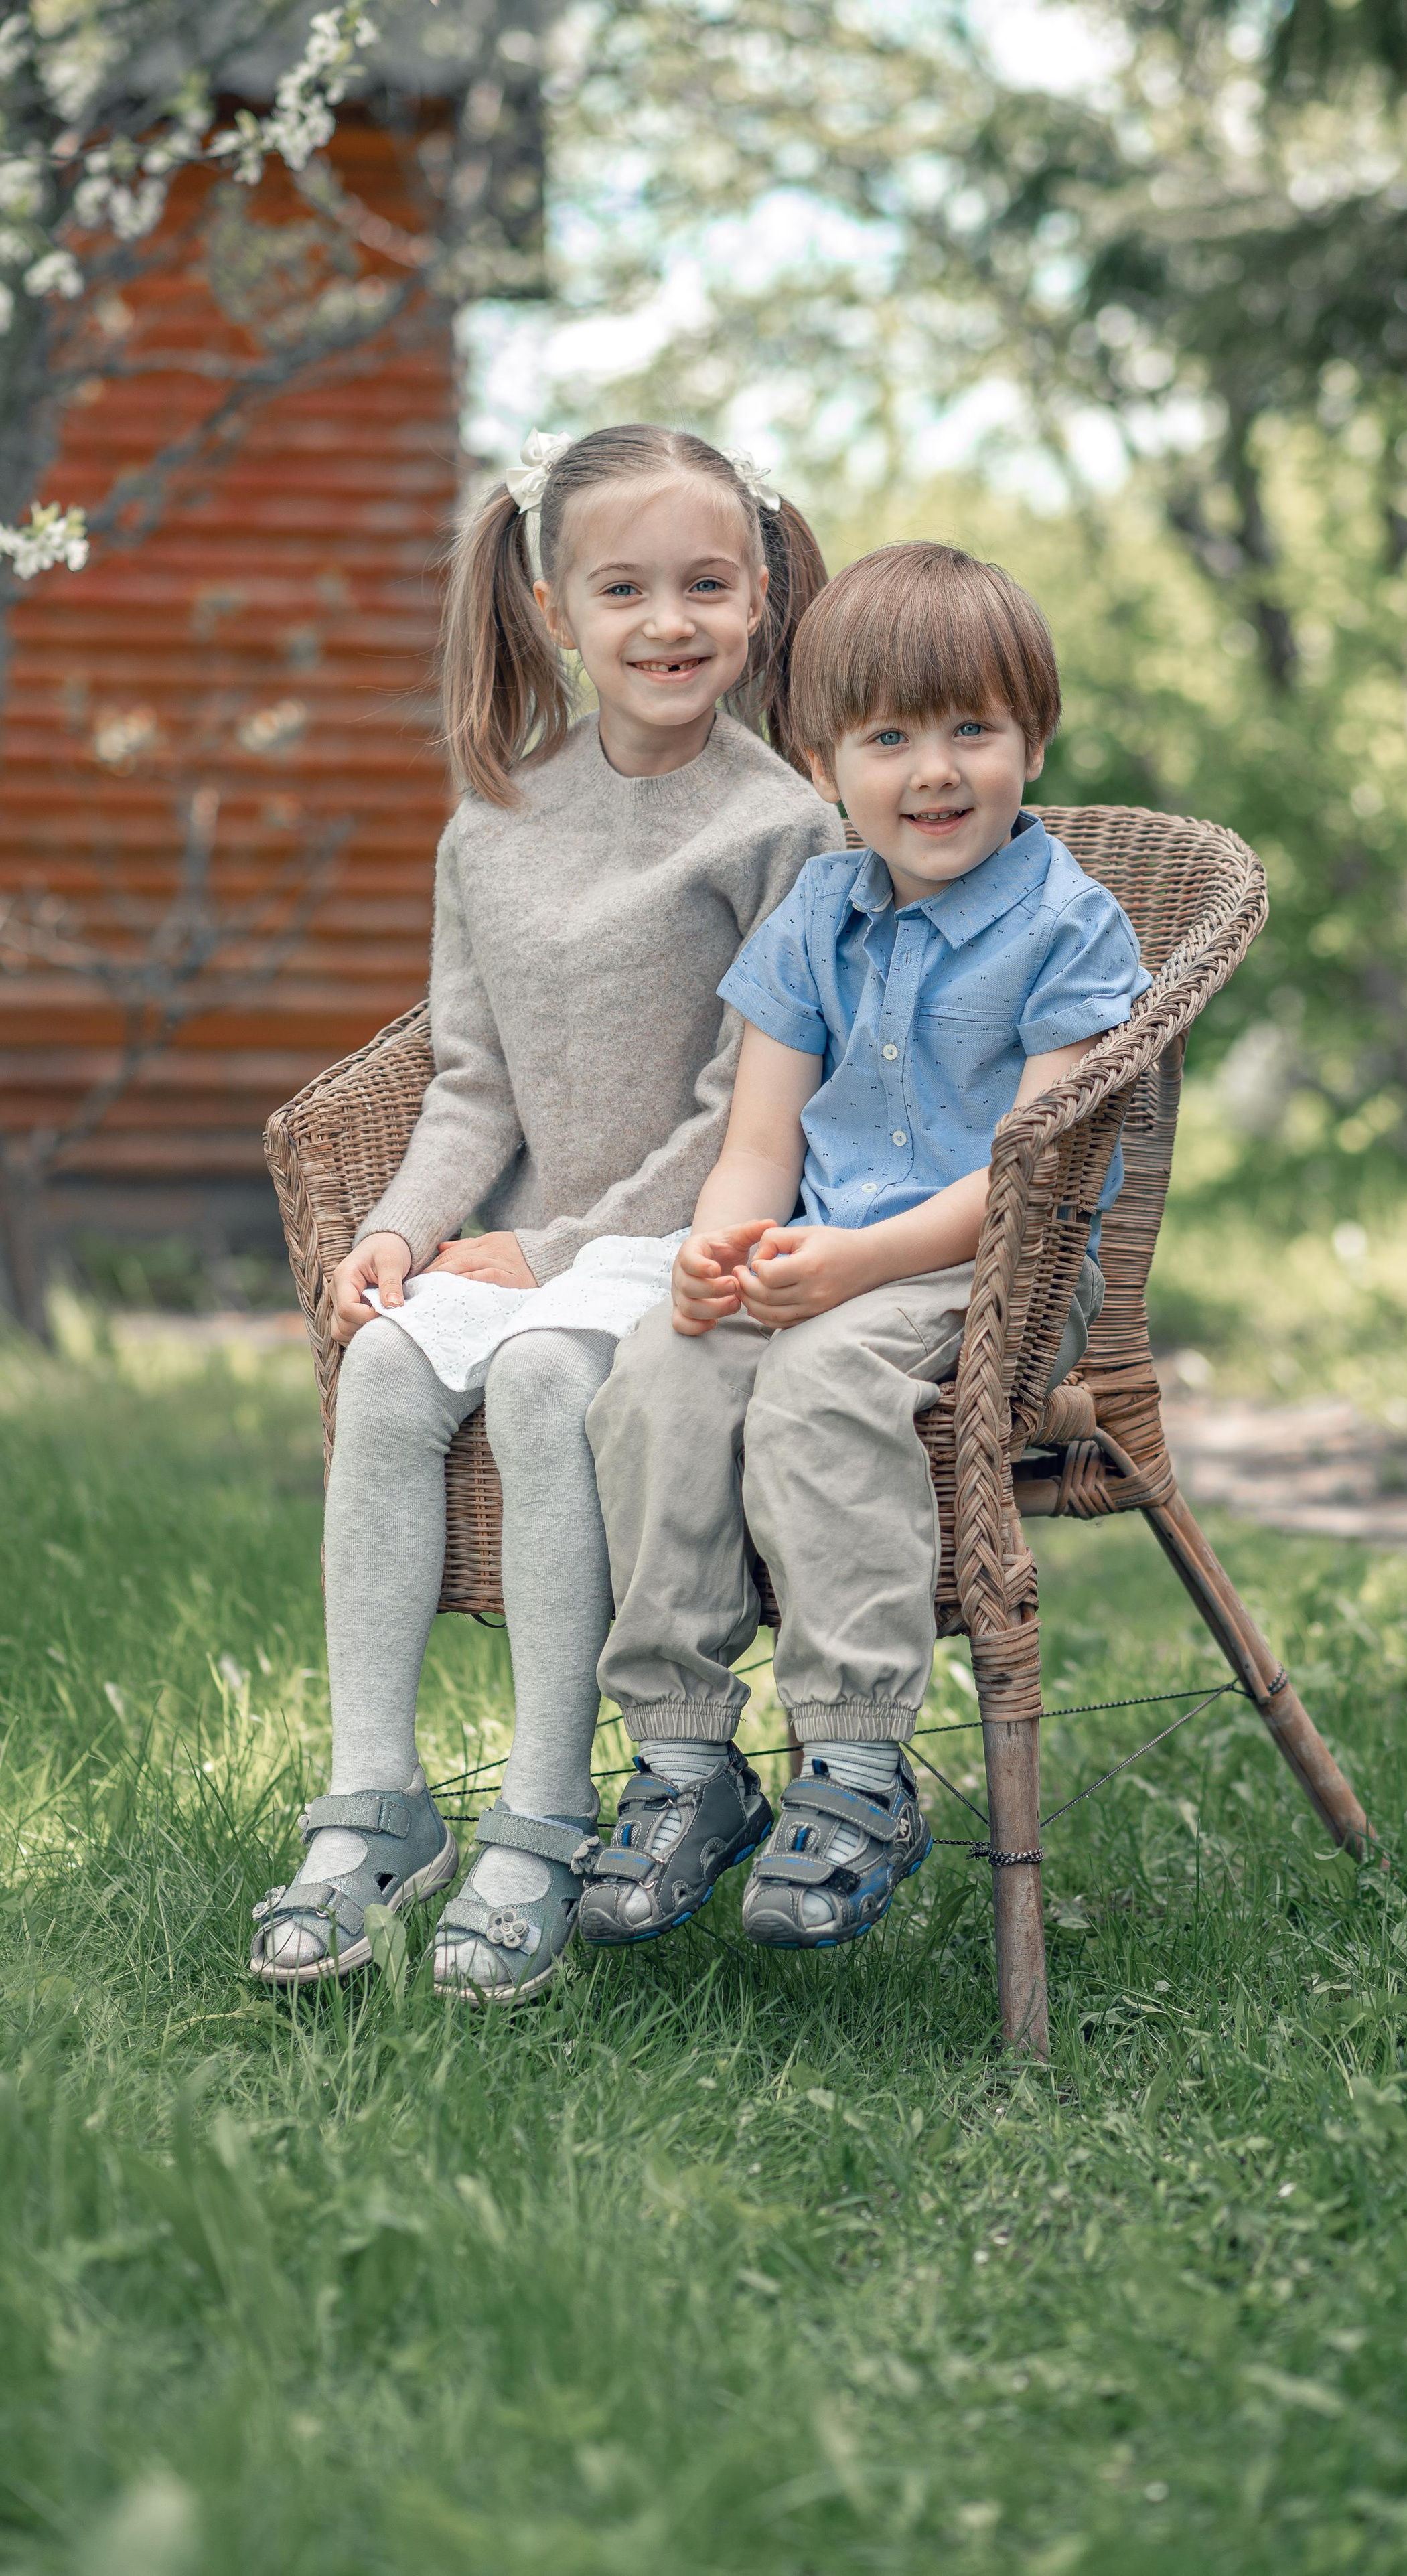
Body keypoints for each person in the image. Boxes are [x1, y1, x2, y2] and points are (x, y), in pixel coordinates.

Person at [248, 425, 830, 2001]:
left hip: (685, 1234)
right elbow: (471, 1084)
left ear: (762, 595)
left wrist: (559, 1254)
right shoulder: (495, 821)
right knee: (382, 1367)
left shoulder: (780, 828)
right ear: (551, 605)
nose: (668, 623)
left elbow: (744, 1106)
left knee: (539, 1373)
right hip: (525, 1234)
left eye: (706, 584)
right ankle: (372, 1798)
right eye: (624, 587)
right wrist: (399, 1228)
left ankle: (545, 1813)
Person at [579, 541, 1149, 1950]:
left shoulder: (1067, 926)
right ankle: (681, 1752)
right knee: (661, 1367)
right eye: (887, 737)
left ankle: (853, 1762)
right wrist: (723, 1249)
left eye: (972, 729)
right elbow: (759, 1144)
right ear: (820, 758)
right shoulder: (813, 916)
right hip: (824, 1252)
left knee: (826, 1382)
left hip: (993, 1273)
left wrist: (843, 1269)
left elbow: (1025, 1177)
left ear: (1034, 737)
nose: (934, 772)